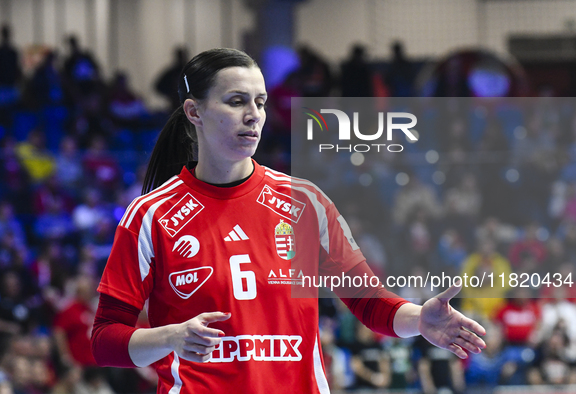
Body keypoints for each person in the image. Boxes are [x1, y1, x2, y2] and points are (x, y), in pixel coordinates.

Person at [90, 48, 486, 393]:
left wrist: (420, 319)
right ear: (194, 112)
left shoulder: (304, 202)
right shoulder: (152, 215)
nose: (253, 116)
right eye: (236, 101)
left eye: (260, 102)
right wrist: (170, 337)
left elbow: (369, 303)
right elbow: (105, 340)